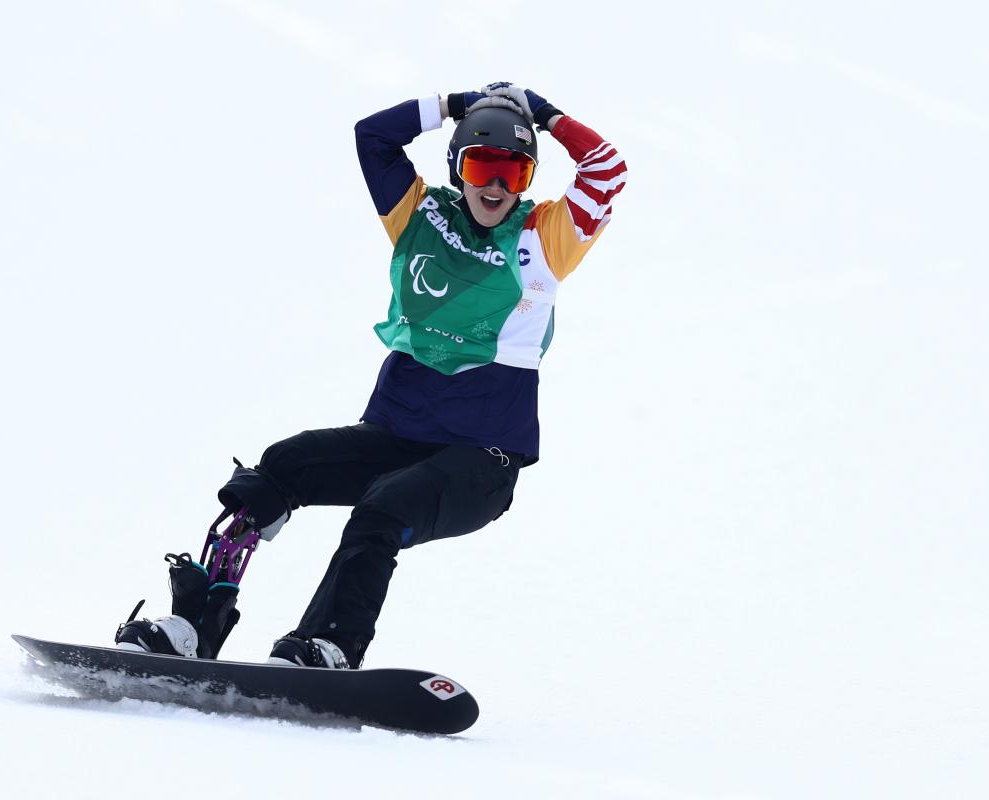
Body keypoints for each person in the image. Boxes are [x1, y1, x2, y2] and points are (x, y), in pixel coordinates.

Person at [115, 82, 628, 669]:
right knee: (284, 463)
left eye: (511, 173)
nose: (493, 185)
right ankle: (195, 625)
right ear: (458, 167)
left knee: (387, 504)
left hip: (481, 460)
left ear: (527, 180)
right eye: (481, 165)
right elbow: (373, 135)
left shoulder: (546, 239)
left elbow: (606, 169)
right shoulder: (419, 216)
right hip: (397, 437)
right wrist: (453, 105)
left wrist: (545, 115)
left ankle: (331, 644)